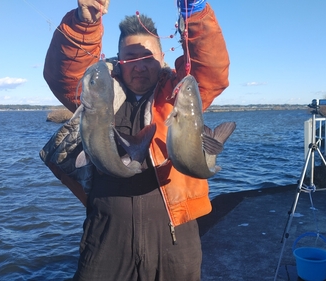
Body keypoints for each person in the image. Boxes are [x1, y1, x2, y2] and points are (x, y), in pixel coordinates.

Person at [42, 0, 229, 280]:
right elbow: (64, 76)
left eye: (148, 58)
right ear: (118, 59)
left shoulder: (179, 91)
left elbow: (211, 71)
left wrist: (195, 13)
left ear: (162, 58)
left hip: (175, 238)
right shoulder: (100, 92)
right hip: (105, 238)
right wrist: (86, 24)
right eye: (130, 57)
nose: (140, 67)